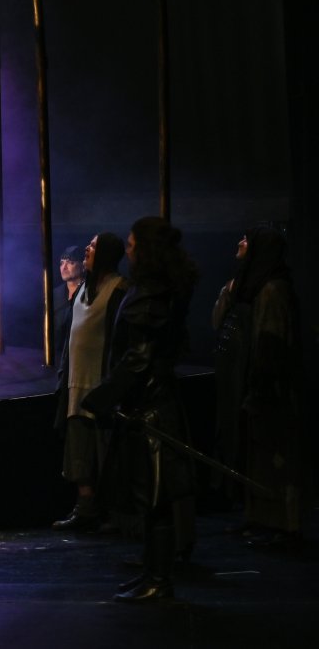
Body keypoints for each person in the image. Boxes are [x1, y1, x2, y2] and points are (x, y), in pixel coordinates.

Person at [82, 216, 198, 603]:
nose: (128, 251)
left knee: (156, 497)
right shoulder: (155, 289)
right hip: (147, 404)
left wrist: (101, 397)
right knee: (150, 498)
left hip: (151, 409)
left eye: (132, 246)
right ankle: (152, 571)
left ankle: (159, 579)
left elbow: (138, 359)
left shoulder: (152, 295)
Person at [211, 225, 309, 547]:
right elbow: (221, 323)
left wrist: (262, 386)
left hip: (272, 388)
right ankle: (259, 517)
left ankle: (285, 524)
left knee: (277, 457)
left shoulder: (273, 290)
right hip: (250, 382)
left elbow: (272, 341)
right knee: (256, 456)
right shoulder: (249, 287)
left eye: (247, 240)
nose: (240, 242)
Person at [52, 233, 127, 532]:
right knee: (79, 451)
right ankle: (85, 508)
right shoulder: (83, 288)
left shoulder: (119, 290)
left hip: (102, 384)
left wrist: (114, 385)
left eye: (93, 246)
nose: (87, 249)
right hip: (76, 382)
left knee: (106, 450)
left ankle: (114, 513)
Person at [52, 245, 85, 371]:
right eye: (62, 263)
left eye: (70, 263)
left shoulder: (90, 292)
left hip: (81, 357)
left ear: (82, 266)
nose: (64, 267)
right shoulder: (54, 295)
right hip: (56, 356)